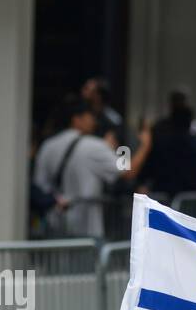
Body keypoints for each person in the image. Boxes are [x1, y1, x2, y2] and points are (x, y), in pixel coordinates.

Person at [32, 99, 150, 238]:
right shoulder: (94, 146)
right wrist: (145, 144)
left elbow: (39, 183)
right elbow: (128, 171)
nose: (94, 122)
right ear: (77, 119)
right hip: (86, 230)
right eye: (90, 117)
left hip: (53, 226)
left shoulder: (47, 145)